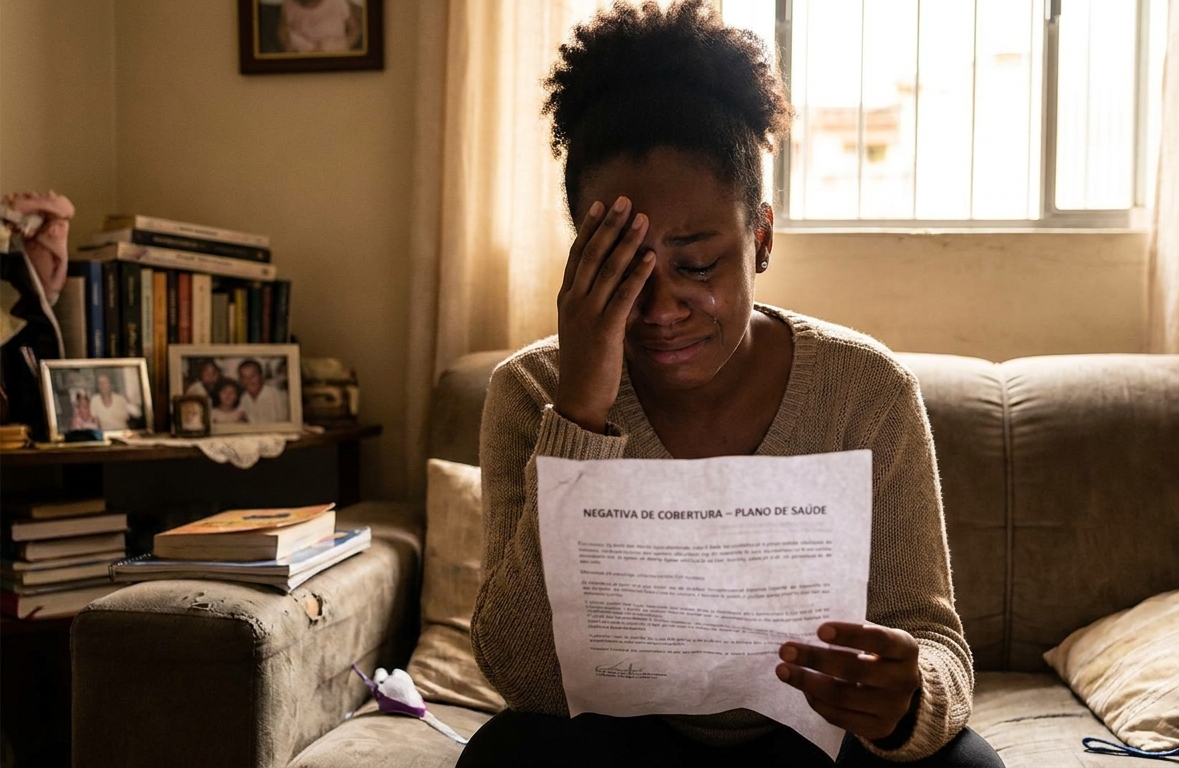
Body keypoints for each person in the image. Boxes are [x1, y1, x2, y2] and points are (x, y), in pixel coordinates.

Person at [461, 3, 1002, 767]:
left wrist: (905, 699)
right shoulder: (532, 391)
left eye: (697, 264)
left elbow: (935, 640)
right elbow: (521, 676)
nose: (660, 309)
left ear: (762, 238)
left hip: (814, 744)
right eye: (621, 266)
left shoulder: (866, 390)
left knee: (968, 767)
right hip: (631, 740)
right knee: (507, 753)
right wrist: (579, 414)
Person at [278, 0, 361, 53]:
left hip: (334, 52)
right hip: (302, 52)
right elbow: (283, 30)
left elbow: (353, 29)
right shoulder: (289, 4)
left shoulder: (338, 3)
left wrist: (344, 46)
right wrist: (288, 46)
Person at [237, 359, 289, 424]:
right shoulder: (244, 398)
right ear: (240, 380)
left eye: (253, 376)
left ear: (261, 376)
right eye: (244, 377)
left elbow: (284, 424)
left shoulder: (277, 395)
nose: (248, 381)